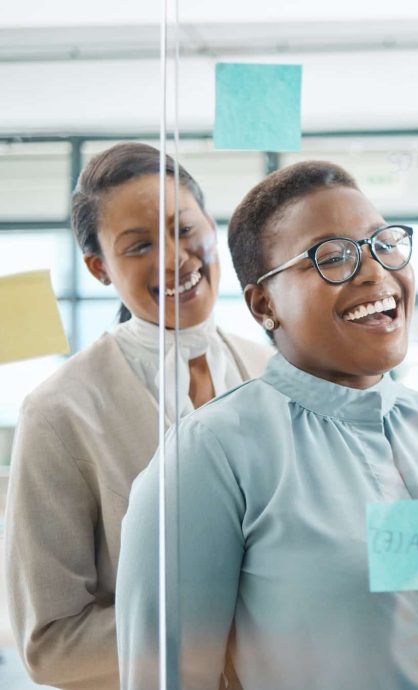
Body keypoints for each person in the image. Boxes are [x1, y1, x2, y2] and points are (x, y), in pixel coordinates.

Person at [115, 160, 418, 690]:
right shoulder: (210, 456)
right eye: (332, 257)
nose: (374, 272)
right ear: (263, 304)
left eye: (381, 244)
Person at [3, 142, 271, 690]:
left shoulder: (274, 369)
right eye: (140, 245)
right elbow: (49, 645)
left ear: (212, 225)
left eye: (183, 228)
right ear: (99, 267)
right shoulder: (59, 414)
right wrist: (213, 627)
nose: (174, 258)